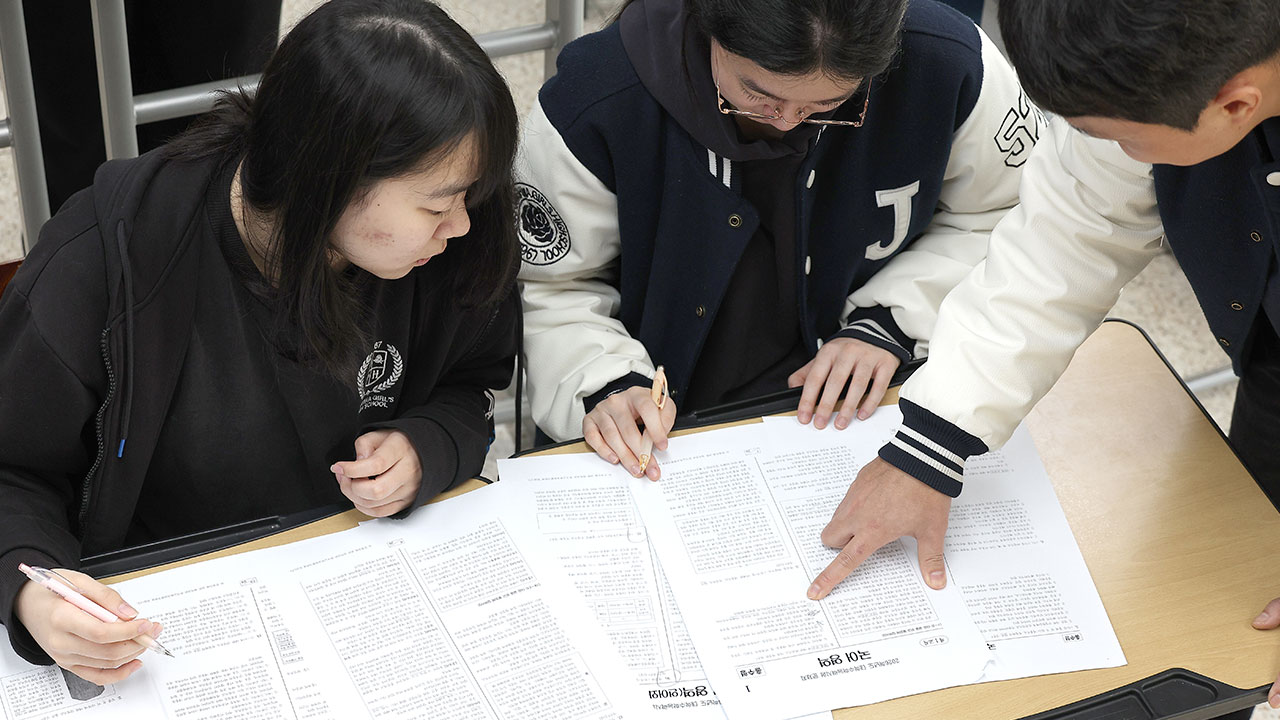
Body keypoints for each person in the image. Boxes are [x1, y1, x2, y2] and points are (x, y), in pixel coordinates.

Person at [0, 0, 520, 685]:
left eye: (468, 197)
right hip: (169, 614)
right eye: (435, 204)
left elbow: (472, 382)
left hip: (371, 593)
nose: (459, 225)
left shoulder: (455, 237)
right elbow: (12, 469)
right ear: (328, 177)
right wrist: (32, 591)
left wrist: (430, 445)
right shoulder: (112, 257)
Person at [802, 0, 1280, 708]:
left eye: (1119, 139)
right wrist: (930, 448)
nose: (1108, 152)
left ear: (1235, 105)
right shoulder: (1148, 65)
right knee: (1241, 585)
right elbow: (1070, 236)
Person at [516, 0, 1040, 480]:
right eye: (757, 95)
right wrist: (604, 382)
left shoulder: (950, 61)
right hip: (658, 436)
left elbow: (1013, 218)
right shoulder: (593, 100)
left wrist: (893, 320)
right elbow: (550, 286)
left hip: (857, 414)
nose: (788, 123)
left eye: (830, 102)